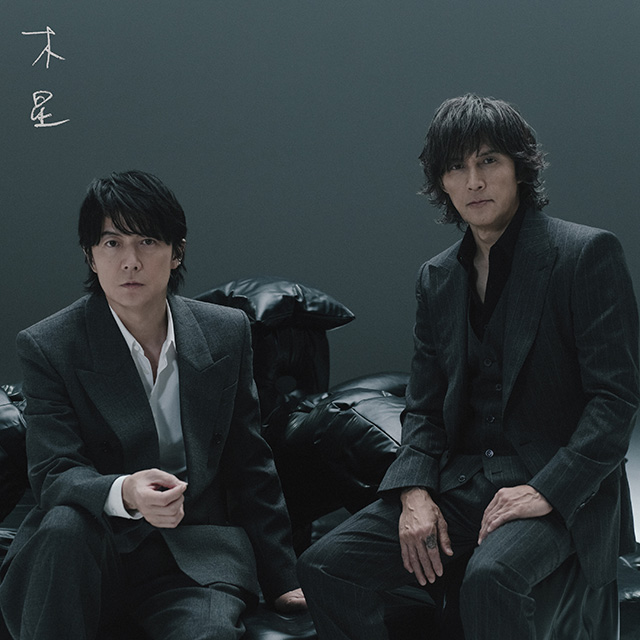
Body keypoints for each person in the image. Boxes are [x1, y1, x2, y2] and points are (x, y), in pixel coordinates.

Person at [298, 94, 640, 639]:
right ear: (442, 183)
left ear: (520, 169)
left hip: (558, 485)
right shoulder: (436, 277)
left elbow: (615, 400)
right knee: (325, 565)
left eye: (488, 161)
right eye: (456, 167)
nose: (474, 181)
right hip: (463, 482)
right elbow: (424, 407)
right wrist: (413, 494)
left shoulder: (585, 254)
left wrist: (547, 490)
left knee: (490, 578)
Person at [0, 170, 305, 640]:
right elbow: (54, 473)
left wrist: (283, 579)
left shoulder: (226, 332)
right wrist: (126, 492)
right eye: (112, 243)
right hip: (87, 552)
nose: (130, 262)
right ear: (90, 256)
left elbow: (250, 464)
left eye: (146, 241)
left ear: (176, 251)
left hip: (193, 555)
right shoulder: (49, 345)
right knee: (64, 524)